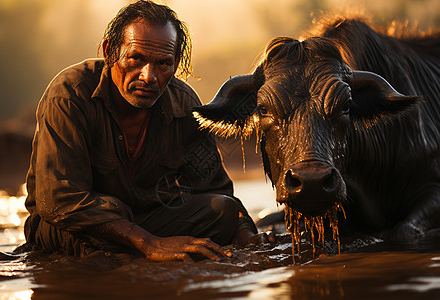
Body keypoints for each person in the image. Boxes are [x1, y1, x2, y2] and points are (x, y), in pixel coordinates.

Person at [23, 0, 272, 262]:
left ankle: (139, 255)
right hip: (74, 225)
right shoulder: (69, 95)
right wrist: (149, 243)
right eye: (136, 59)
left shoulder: (184, 103)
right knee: (91, 237)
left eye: (163, 64)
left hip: (145, 220)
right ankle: (136, 256)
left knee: (223, 210)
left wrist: (243, 233)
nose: (148, 76)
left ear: (176, 64)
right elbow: (58, 201)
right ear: (110, 51)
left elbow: (215, 188)